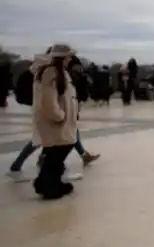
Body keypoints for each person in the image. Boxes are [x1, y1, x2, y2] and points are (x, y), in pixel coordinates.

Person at [6, 54, 100, 183]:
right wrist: (60, 114)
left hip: (50, 114)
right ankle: (23, 167)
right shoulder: (49, 74)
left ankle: (27, 166)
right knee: (51, 140)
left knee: (59, 139)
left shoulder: (49, 73)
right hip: (49, 115)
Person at [31, 44, 79, 199]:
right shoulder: (52, 73)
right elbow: (49, 100)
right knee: (57, 153)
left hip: (63, 122)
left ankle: (47, 183)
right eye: (68, 57)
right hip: (56, 122)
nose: (70, 59)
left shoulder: (60, 72)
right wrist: (59, 115)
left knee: (55, 154)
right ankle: (49, 186)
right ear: (62, 57)